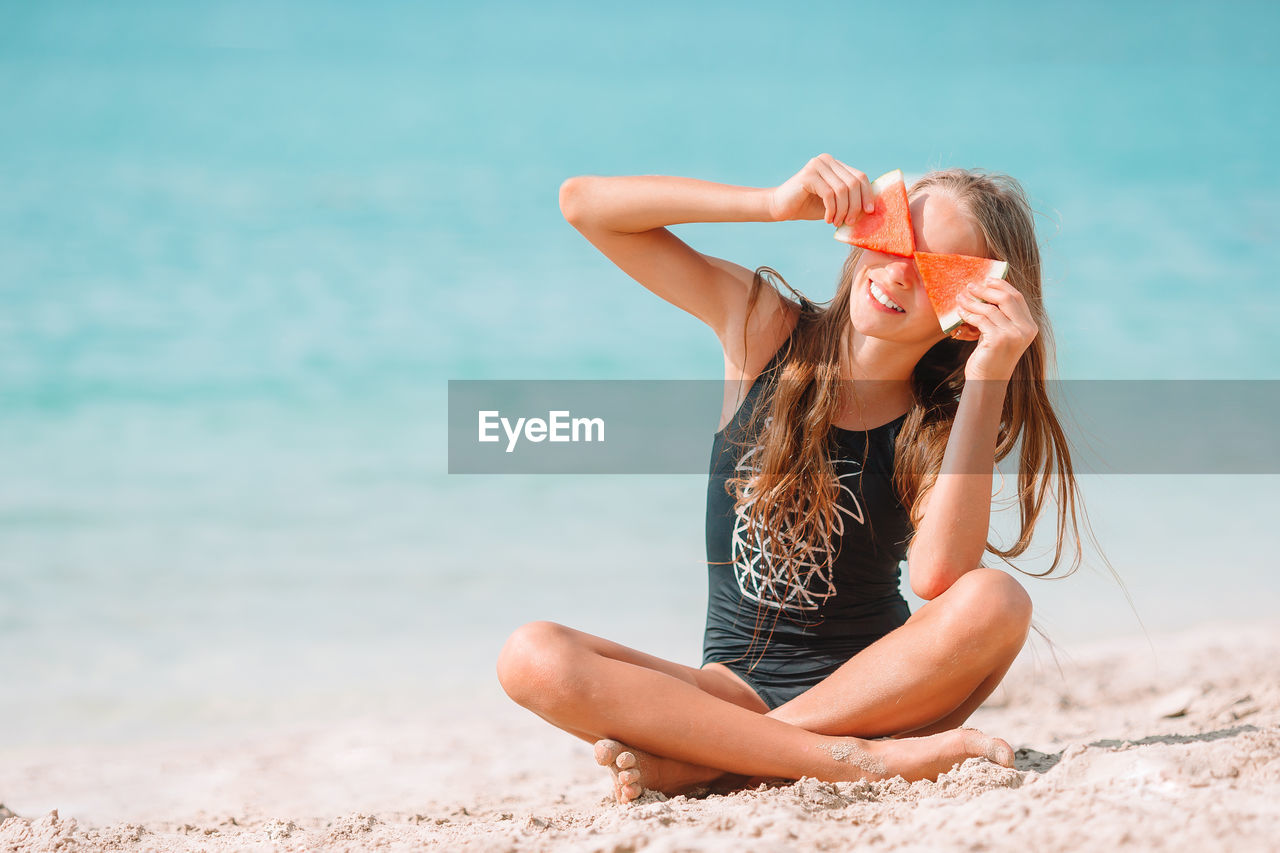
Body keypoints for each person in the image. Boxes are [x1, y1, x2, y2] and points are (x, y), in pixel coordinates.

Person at [497, 154, 1092, 804]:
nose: (896, 273)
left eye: (933, 272)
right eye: (895, 240)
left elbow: (941, 579)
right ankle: (838, 760)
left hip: (876, 694)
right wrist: (772, 203)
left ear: (969, 309)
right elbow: (585, 205)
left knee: (999, 601)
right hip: (727, 691)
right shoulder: (763, 330)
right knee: (530, 654)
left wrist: (988, 378)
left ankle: (723, 762)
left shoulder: (939, 425)